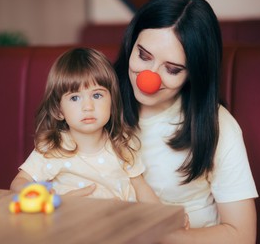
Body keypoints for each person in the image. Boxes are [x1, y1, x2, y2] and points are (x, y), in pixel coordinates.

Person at [112, 0, 258, 244]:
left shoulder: (217, 125)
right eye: (143, 55)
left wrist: (159, 233)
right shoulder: (94, 102)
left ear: (194, 73)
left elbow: (241, 238)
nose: (149, 78)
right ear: (131, 43)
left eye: (172, 69)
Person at [10, 47, 158, 203]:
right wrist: (47, 197)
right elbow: (18, 183)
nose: (88, 106)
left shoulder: (123, 144)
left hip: (121, 223)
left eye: (97, 95)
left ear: (112, 103)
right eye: (74, 98)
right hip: (73, 223)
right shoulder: (54, 147)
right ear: (59, 110)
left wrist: (169, 217)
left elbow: (141, 188)